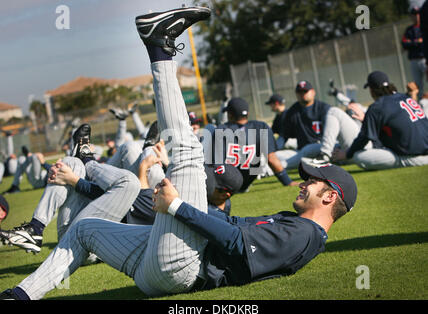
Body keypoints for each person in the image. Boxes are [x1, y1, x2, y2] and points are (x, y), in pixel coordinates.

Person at [0, 7, 358, 299]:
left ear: (329, 196)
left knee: (187, 150)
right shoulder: (297, 224)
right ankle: (20, 295)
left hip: (184, 268)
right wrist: (182, 211)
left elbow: (234, 241)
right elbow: (233, 225)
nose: (303, 183)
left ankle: (160, 47)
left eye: (312, 182)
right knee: (84, 230)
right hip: (157, 268)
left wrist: (175, 207)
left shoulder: (306, 236)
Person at [0, 124, 141, 254]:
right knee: (73, 163)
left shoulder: (146, 202)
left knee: (72, 163)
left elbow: (109, 198)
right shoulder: (147, 189)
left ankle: (87, 160)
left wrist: (71, 179)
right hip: (78, 232)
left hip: (93, 245)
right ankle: (35, 228)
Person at [333, 70, 428, 170]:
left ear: (372, 90)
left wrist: (347, 154)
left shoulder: (377, 106)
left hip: (412, 157)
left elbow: (364, 138)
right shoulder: (405, 97)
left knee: (358, 156)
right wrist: (366, 121)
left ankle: (402, 161)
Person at [214, 97, 298, 192]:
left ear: (230, 114)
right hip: (245, 183)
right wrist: (287, 182)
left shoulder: (222, 129)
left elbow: (215, 162)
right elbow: (271, 158)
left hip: (226, 184)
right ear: (248, 114)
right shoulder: (261, 126)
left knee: (210, 129)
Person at [275, 81, 331, 169]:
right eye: (299, 92)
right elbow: (284, 135)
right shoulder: (292, 112)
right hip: (302, 151)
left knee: (305, 153)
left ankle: (271, 170)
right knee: (275, 156)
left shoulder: (324, 108)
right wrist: (273, 151)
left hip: (323, 147)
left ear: (313, 92)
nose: (302, 94)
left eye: (305, 91)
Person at [402, 6, 426, 100]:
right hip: (414, 60)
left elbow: (423, 42)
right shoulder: (409, 30)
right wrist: (417, 42)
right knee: (417, 85)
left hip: (424, 59)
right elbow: (404, 43)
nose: (416, 17)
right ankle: (419, 104)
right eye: (413, 15)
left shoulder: (424, 26)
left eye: (417, 14)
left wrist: (412, 42)